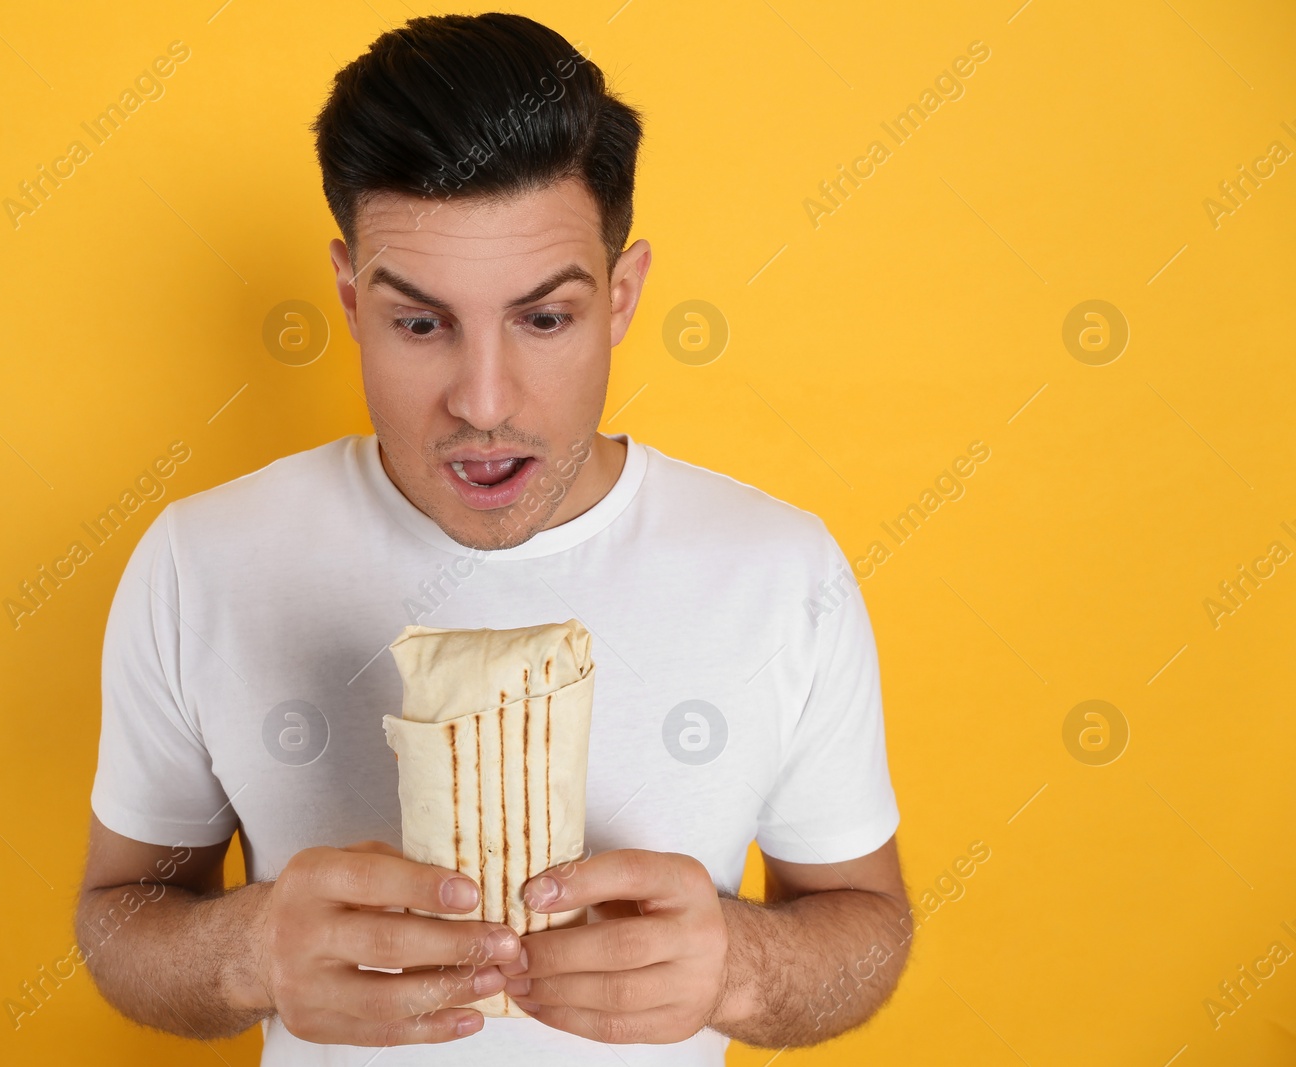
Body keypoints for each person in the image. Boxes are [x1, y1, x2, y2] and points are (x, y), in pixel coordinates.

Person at [77, 12, 910, 1064]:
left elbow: (864, 923)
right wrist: (247, 952)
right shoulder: (201, 560)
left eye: (544, 319)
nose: (481, 401)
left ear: (620, 296)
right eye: (421, 324)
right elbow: (119, 915)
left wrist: (741, 967)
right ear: (348, 295)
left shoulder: (783, 572)